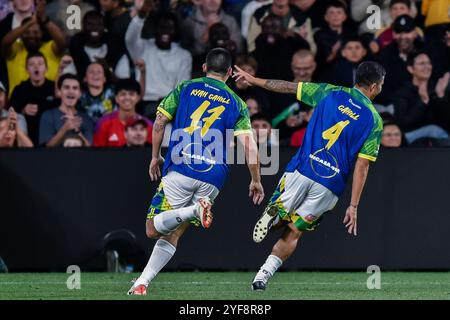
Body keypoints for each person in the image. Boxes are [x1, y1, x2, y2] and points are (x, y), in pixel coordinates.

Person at [233, 60, 385, 290]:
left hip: (303, 169)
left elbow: (287, 86)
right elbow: (363, 166)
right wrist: (353, 206)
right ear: (374, 86)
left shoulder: (329, 92)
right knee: (295, 231)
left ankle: (274, 215)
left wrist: (253, 80)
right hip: (330, 184)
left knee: (281, 219)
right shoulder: (374, 120)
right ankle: (262, 277)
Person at [127, 48, 264, 295]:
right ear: (230, 73)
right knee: (175, 231)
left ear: (204, 68)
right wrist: (256, 179)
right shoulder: (238, 103)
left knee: (151, 228)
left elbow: (159, 121)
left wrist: (155, 156)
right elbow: (249, 145)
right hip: (213, 176)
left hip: (182, 164)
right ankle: (141, 283)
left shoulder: (186, 88)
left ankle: (193, 210)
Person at [125, 8, 192, 118]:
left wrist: (169, 103)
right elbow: (129, 39)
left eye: (170, 28)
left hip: (170, 105)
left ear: (175, 31)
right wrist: (140, 17)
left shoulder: (184, 55)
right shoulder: (142, 47)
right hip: (143, 102)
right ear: (155, 29)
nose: (165, 32)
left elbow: (182, 87)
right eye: (162, 27)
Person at [1, 0, 66, 96]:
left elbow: (63, 42)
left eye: (36, 32)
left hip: (49, 105)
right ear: (21, 35)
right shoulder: (16, 49)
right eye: (27, 32)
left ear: (42, 34)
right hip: (18, 106)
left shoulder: (50, 48)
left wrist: (44, 19)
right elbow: (5, 43)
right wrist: (31, 22)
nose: (31, 35)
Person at [9, 52, 56, 145]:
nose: (36, 67)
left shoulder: (54, 88)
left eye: (40, 64)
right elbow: (11, 112)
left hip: (50, 136)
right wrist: (23, 110)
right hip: (26, 137)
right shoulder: (19, 89)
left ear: (46, 69)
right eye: (31, 64)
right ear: (27, 69)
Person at [93, 78, 153, 147]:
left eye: (131, 94)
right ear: (116, 98)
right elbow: (96, 154)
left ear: (138, 98)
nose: (127, 97)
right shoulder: (103, 123)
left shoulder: (148, 125)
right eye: (123, 94)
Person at [39, 73, 93, 146]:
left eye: (75, 88)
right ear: (59, 92)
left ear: (80, 93)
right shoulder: (48, 116)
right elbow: (47, 148)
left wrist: (77, 131)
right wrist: (65, 128)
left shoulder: (86, 118)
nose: (71, 91)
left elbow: (89, 149)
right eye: (66, 87)